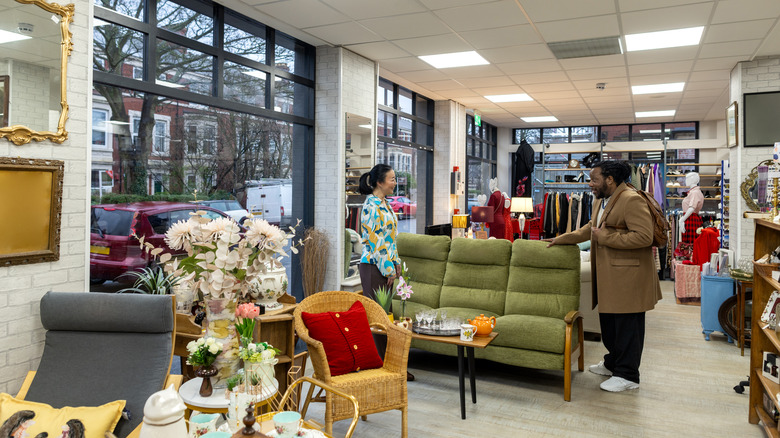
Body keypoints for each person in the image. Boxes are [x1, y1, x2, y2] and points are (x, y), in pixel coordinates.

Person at [546, 160, 662, 392]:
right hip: (611, 276)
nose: (590, 184)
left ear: (610, 179)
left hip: (629, 277)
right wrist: (562, 238)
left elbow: (643, 237)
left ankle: (628, 375)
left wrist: (605, 237)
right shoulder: (603, 199)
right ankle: (613, 364)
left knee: (627, 328)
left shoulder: (632, 199)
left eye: (594, 179)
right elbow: (591, 228)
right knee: (610, 325)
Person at [357, 164, 414, 381]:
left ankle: (391, 367)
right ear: (380, 182)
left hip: (385, 267)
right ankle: (382, 369)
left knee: (387, 319)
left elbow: (391, 238)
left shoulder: (385, 204)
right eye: (391, 179)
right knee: (379, 321)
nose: (394, 182)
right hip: (374, 268)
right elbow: (376, 242)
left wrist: (396, 263)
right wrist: (389, 269)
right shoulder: (371, 206)